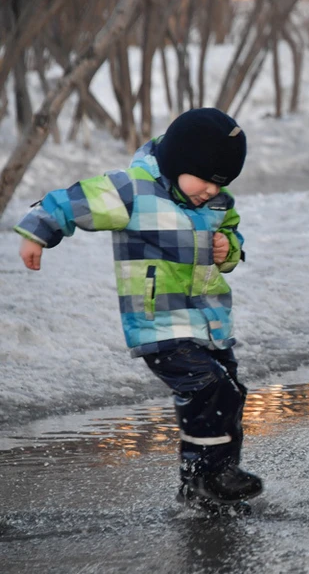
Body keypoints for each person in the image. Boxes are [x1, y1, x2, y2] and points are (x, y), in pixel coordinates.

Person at [15, 107, 263, 511]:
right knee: (209, 387)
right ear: (178, 163)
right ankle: (213, 475)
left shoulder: (217, 204)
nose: (211, 192)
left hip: (210, 323)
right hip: (158, 325)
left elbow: (233, 240)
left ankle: (205, 483)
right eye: (205, 181)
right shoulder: (132, 191)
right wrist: (38, 233)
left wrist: (227, 248)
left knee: (229, 392)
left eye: (221, 185)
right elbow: (69, 202)